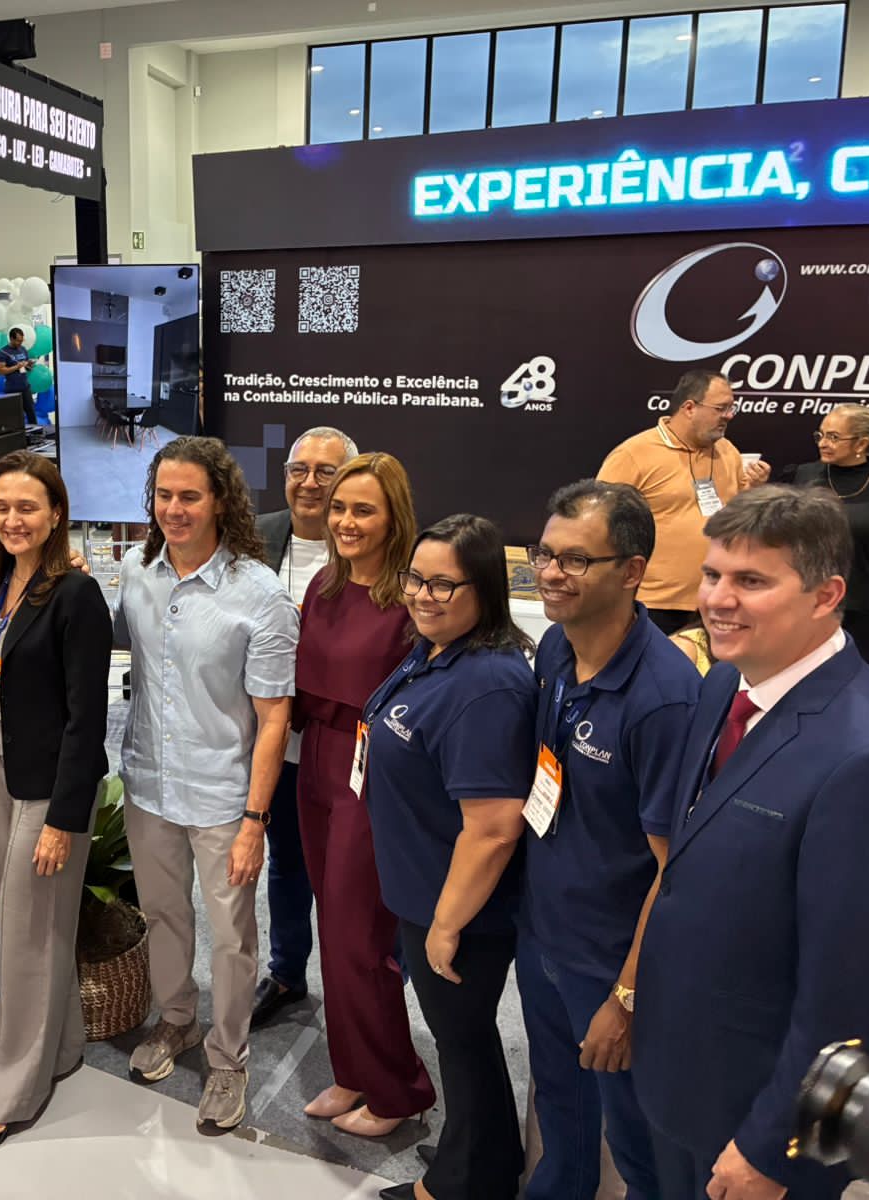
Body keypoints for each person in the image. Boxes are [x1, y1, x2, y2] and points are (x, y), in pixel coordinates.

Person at [632, 485, 869, 1200]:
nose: (718, 600)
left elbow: (852, 994)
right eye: (712, 574)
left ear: (826, 595)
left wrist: (774, 1148)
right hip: (683, 1071)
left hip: (754, 1114)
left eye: (751, 581)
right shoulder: (726, 683)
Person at [518, 481, 700, 1200]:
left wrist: (626, 998)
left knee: (635, 1141)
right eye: (545, 554)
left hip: (612, 962)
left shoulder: (663, 699)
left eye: (576, 560)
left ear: (631, 570)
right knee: (558, 1102)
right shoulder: (555, 649)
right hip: (544, 931)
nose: (551, 573)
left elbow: (674, 872)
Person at [115, 436, 298, 1132]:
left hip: (223, 797)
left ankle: (228, 1058)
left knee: (231, 937)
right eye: (164, 495)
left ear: (220, 500)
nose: (174, 509)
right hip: (149, 785)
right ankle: (176, 1020)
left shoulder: (261, 594)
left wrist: (255, 819)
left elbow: (275, 717)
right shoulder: (136, 571)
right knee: (163, 916)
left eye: (189, 496)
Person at [360, 513, 536, 1200]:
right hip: (425, 887)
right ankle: (486, 1157)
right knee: (465, 1039)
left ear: (484, 589)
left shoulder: (487, 686)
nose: (421, 595)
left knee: (461, 1043)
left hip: (459, 909)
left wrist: (445, 923)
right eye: (415, 578)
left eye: (443, 585)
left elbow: (493, 828)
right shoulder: (438, 651)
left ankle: (459, 1185)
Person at [0, 451, 111, 1159]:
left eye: (28, 507)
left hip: (47, 786)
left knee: (23, 937)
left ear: (56, 514)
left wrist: (63, 820)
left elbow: (86, 718)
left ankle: (9, 1095)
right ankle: (63, 1047)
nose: (12, 519)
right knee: (35, 924)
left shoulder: (76, 595)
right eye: (2, 507)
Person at [290, 451, 437, 1137]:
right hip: (316, 761)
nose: (346, 521)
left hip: (372, 772)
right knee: (333, 929)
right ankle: (353, 1071)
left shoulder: (412, 598)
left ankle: (399, 1089)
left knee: (359, 940)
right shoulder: (324, 583)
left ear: (393, 517)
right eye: (340, 508)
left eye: (363, 510)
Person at [251, 426, 356, 1029]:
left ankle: (360, 983)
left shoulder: (370, 546)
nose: (310, 483)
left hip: (342, 747)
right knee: (285, 863)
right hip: (275, 744)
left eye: (326, 471)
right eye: (299, 469)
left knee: (349, 874)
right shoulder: (254, 537)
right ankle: (287, 971)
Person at [598, 370, 771, 634]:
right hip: (651, 603)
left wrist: (754, 490)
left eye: (731, 408)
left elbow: (739, 519)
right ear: (689, 408)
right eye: (721, 408)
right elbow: (600, 522)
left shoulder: (728, 452)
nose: (729, 415)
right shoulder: (634, 454)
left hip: (714, 600)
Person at [786, 403, 869, 666]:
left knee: (850, 680)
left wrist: (855, 573)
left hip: (857, 609)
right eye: (820, 435)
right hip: (803, 603)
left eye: (834, 437)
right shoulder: (802, 477)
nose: (823, 443)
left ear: (861, 443)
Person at [0, 327, 36, 426]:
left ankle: (36, 433)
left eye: (22, 340)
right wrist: (16, 367)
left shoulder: (23, 349)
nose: (20, 343)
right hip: (12, 390)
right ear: (11, 339)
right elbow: (0, 371)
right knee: (16, 417)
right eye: (18, 341)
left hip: (25, 387)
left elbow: (25, 368)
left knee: (31, 413)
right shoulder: (3, 352)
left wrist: (29, 365)